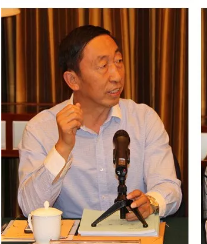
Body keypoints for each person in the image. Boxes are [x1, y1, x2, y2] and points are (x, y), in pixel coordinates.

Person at [18, 25, 181, 219]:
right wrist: (62, 148)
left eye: (118, 61)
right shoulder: (40, 128)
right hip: (74, 236)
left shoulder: (144, 119)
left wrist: (152, 203)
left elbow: (169, 187)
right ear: (73, 80)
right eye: (103, 66)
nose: (117, 76)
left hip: (133, 232)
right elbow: (30, 208)